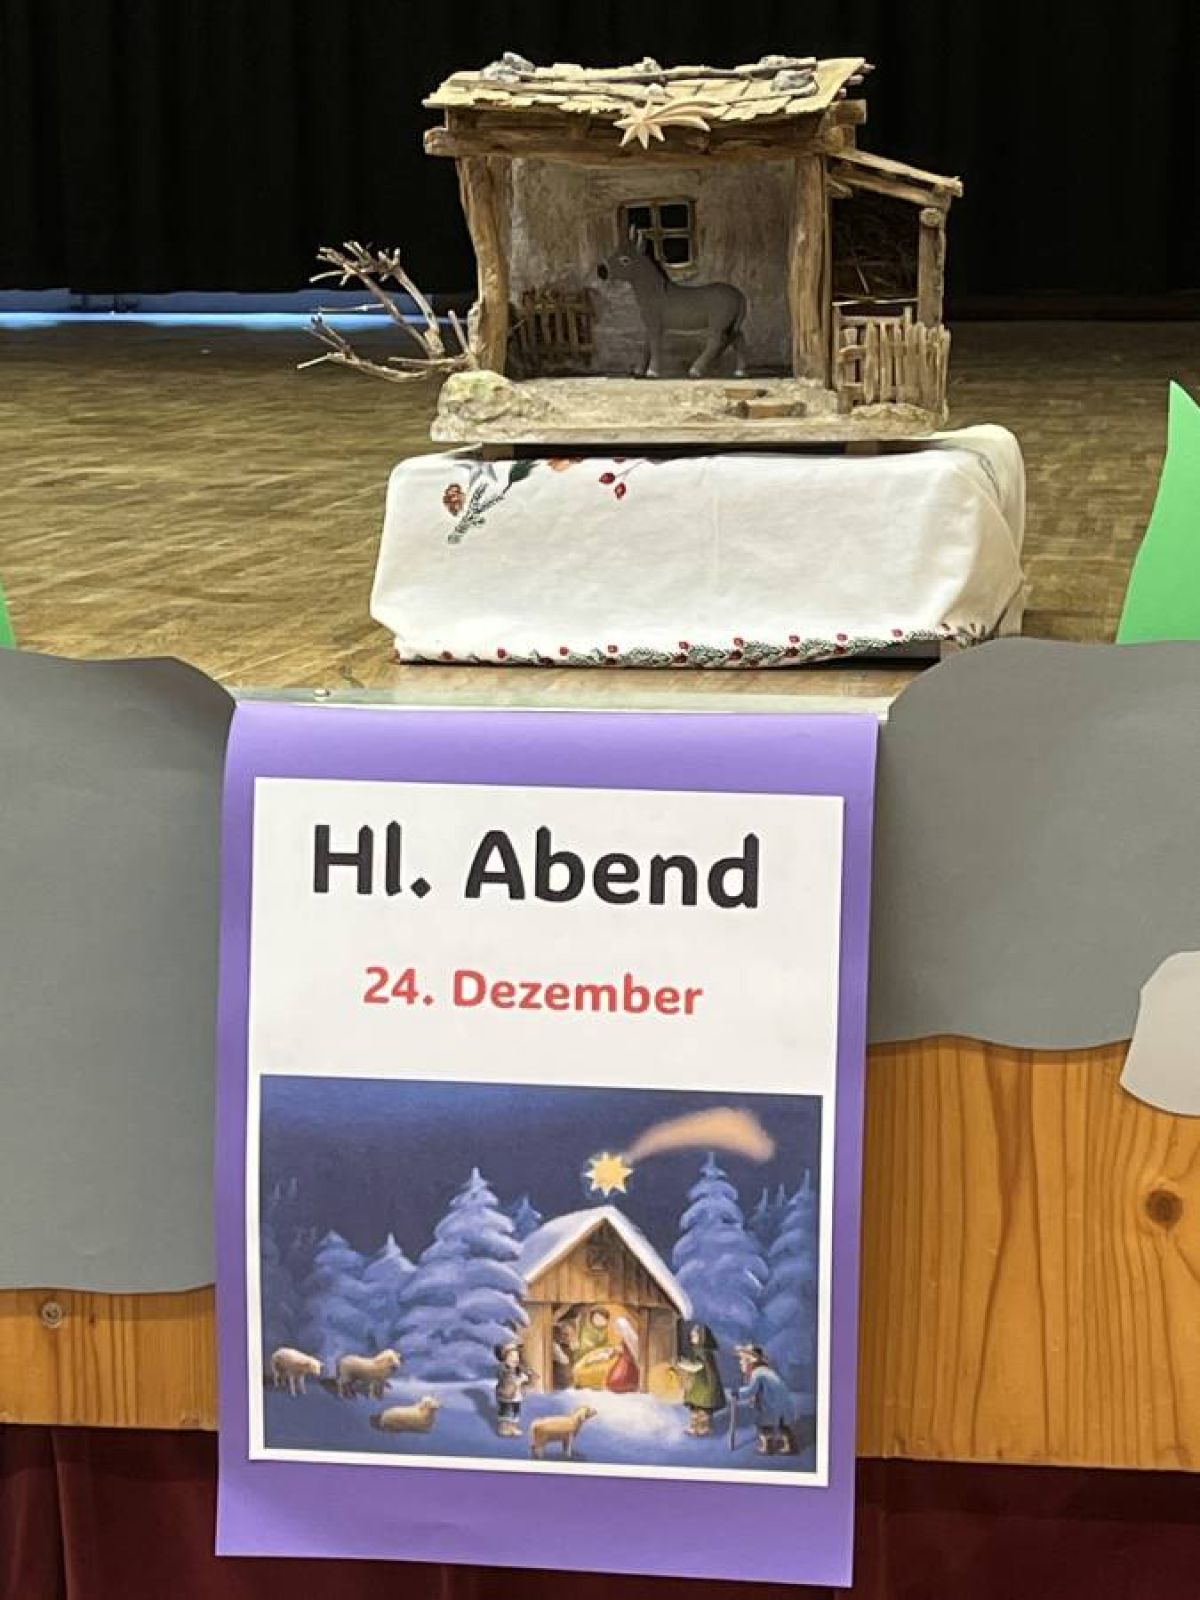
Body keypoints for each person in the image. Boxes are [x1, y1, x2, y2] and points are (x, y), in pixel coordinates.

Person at [735, 1343, 798, 1454]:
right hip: (782, 1403)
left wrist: (737, 1393)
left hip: (770, 1405)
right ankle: (789, 1445)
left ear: (751, 1360)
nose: (741, 1362)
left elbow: (751, 1390)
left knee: (764, 1425)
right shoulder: (767, 1371)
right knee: (783, 1424)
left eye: (743, 1359)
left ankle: (767, 1446)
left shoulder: (757, 1373)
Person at [674, 1322, 725, 1437]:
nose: (691, 1337)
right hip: (698, 1387)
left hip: (706, 1388)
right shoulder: (697, 1350)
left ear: (702, 1337)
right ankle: (695, 1427)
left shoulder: (704, 1352)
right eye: (692, 1335)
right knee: (696, 1409)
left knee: (702, 1411)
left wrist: (682, 1364)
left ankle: (703, 1429)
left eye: (695, 1335)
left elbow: (697, 1366)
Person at [494, 1340, 535, 1437]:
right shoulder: (503, 1369)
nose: (515, 1359)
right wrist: (518, 1381)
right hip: (505, 1395)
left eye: (517, 1357)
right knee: (505, 1410)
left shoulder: (518, 1368)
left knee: (516, 1410)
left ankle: (513, 1426)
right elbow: (507, 1381)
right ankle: (504, 1427)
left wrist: (528, 1377)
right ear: (505, 1358)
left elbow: (527, 1376)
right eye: (511, 1356)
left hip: (517, 1395)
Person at [605, 1315, 640, 1393]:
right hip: (624, 1359)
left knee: (618, 1378)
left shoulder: (632, 1338)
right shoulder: (626, 1338)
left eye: (619, 1328)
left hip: (628, 1362)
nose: (617, 1331)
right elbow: (623, 1347)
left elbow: (631, 1352)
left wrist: (619, 1351)